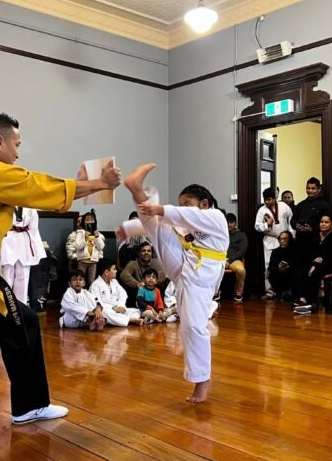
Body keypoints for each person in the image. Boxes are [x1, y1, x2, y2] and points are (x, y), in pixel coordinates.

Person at [0, 111, 121, 425]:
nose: (18, 153)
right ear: (0, 142)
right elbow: (40, 188)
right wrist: (100, 182)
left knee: (26, 324)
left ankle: (29, 406)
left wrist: (81, 184)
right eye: (16, 144)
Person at [120, 164, 228, 403]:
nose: (182, 209)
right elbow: (157, 223)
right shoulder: (184, 221)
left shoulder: (215, 218)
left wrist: (160, 207)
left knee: (192, 327)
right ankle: (136, 188)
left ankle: (203, 380)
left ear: (205, 204)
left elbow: (184, 215)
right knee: (157, 227)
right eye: (180, 205)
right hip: (184, 269)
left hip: (203, 276)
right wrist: (128, 228)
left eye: (187, 204)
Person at [293, 214, 332, 315]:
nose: (323, 224)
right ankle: (302, 299)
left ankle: (312, 303)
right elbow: (308, 251)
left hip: (329, 263)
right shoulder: (314, 235)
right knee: (300, 270)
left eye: (326, 222)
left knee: (315, 272)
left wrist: (316, 264)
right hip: (314, 262)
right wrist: (313, 261)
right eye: (321, 222)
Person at [0, 207, 46, 305]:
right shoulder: (3, 204)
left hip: (24, 243)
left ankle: (21, 307)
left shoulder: (30, 208)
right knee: (6, 278)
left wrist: (35, 248)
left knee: (23, 279)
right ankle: (5, 307)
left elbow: (34, 229)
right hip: (7, 241)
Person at [255, 187, 293, 298]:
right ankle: (269, 291)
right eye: (265, 200)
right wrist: (267, 225)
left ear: (275, 198)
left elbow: (291, 222)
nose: (267, 202)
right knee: (268, 266)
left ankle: (287, 291)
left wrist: (292, 235)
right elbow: (257, 227)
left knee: (286, 264)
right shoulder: (262, 210)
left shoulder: (284, 207)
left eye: (269, 199)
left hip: (285, 239)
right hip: (270, 240)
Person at [91, 259, 144, 326]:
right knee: (105, 313)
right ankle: (130, 320)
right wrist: (113, 308)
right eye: (114, 269)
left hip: (118, 309)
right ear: (107, 272)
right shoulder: (95, 285)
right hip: (108, 309)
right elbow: (97, 303)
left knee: (137, 311)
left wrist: (120, 306)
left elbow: (123, 294)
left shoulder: (114, 281)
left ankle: (121, 319)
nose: (116, 271)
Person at [291, 177, 332, 264]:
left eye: (313, 188)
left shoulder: (325, 206)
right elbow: (292, 220)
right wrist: (296, 225)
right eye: (308, 188)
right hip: (300, 242)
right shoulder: (300, 205)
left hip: (315, 243)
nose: (310, 191)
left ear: (319, 189)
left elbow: (328, 224)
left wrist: (312, 228)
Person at [75, 210, 105, 287]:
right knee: (80, 280)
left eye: (92, 219)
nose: (90, 222)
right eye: (87, 220)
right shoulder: (80, 233)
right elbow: (78, 246)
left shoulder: (97, 234)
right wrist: (85, 239)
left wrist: (97, 237)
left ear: (95, 221)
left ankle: (91, 297)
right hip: (82, 261)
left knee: (92, 282)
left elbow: (101, 247)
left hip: (93, 262)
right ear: (83, 221)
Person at [225, 213, 248, 302]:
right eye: (227, 222)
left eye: (231, 222)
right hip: (220, 258)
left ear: (235, 223)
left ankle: (239, 291)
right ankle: (215, 292)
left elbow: (242, 251)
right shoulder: (221, 234)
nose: (229, 225)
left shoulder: (241, 235)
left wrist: (229, 260)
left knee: (241, 271)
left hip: (234, 259)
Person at [268, 231, 295, 301]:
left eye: (285, 239)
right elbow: (270, 267)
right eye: (280, 239)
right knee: (272, 274)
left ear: (289, 240)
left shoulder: (294, 251)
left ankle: (290, 293)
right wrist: (278, 268)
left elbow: (298, 265)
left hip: (291, 273)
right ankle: (279, 294)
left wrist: (289, 266)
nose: (282, 241)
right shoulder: (275, 251)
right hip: (279, 273)